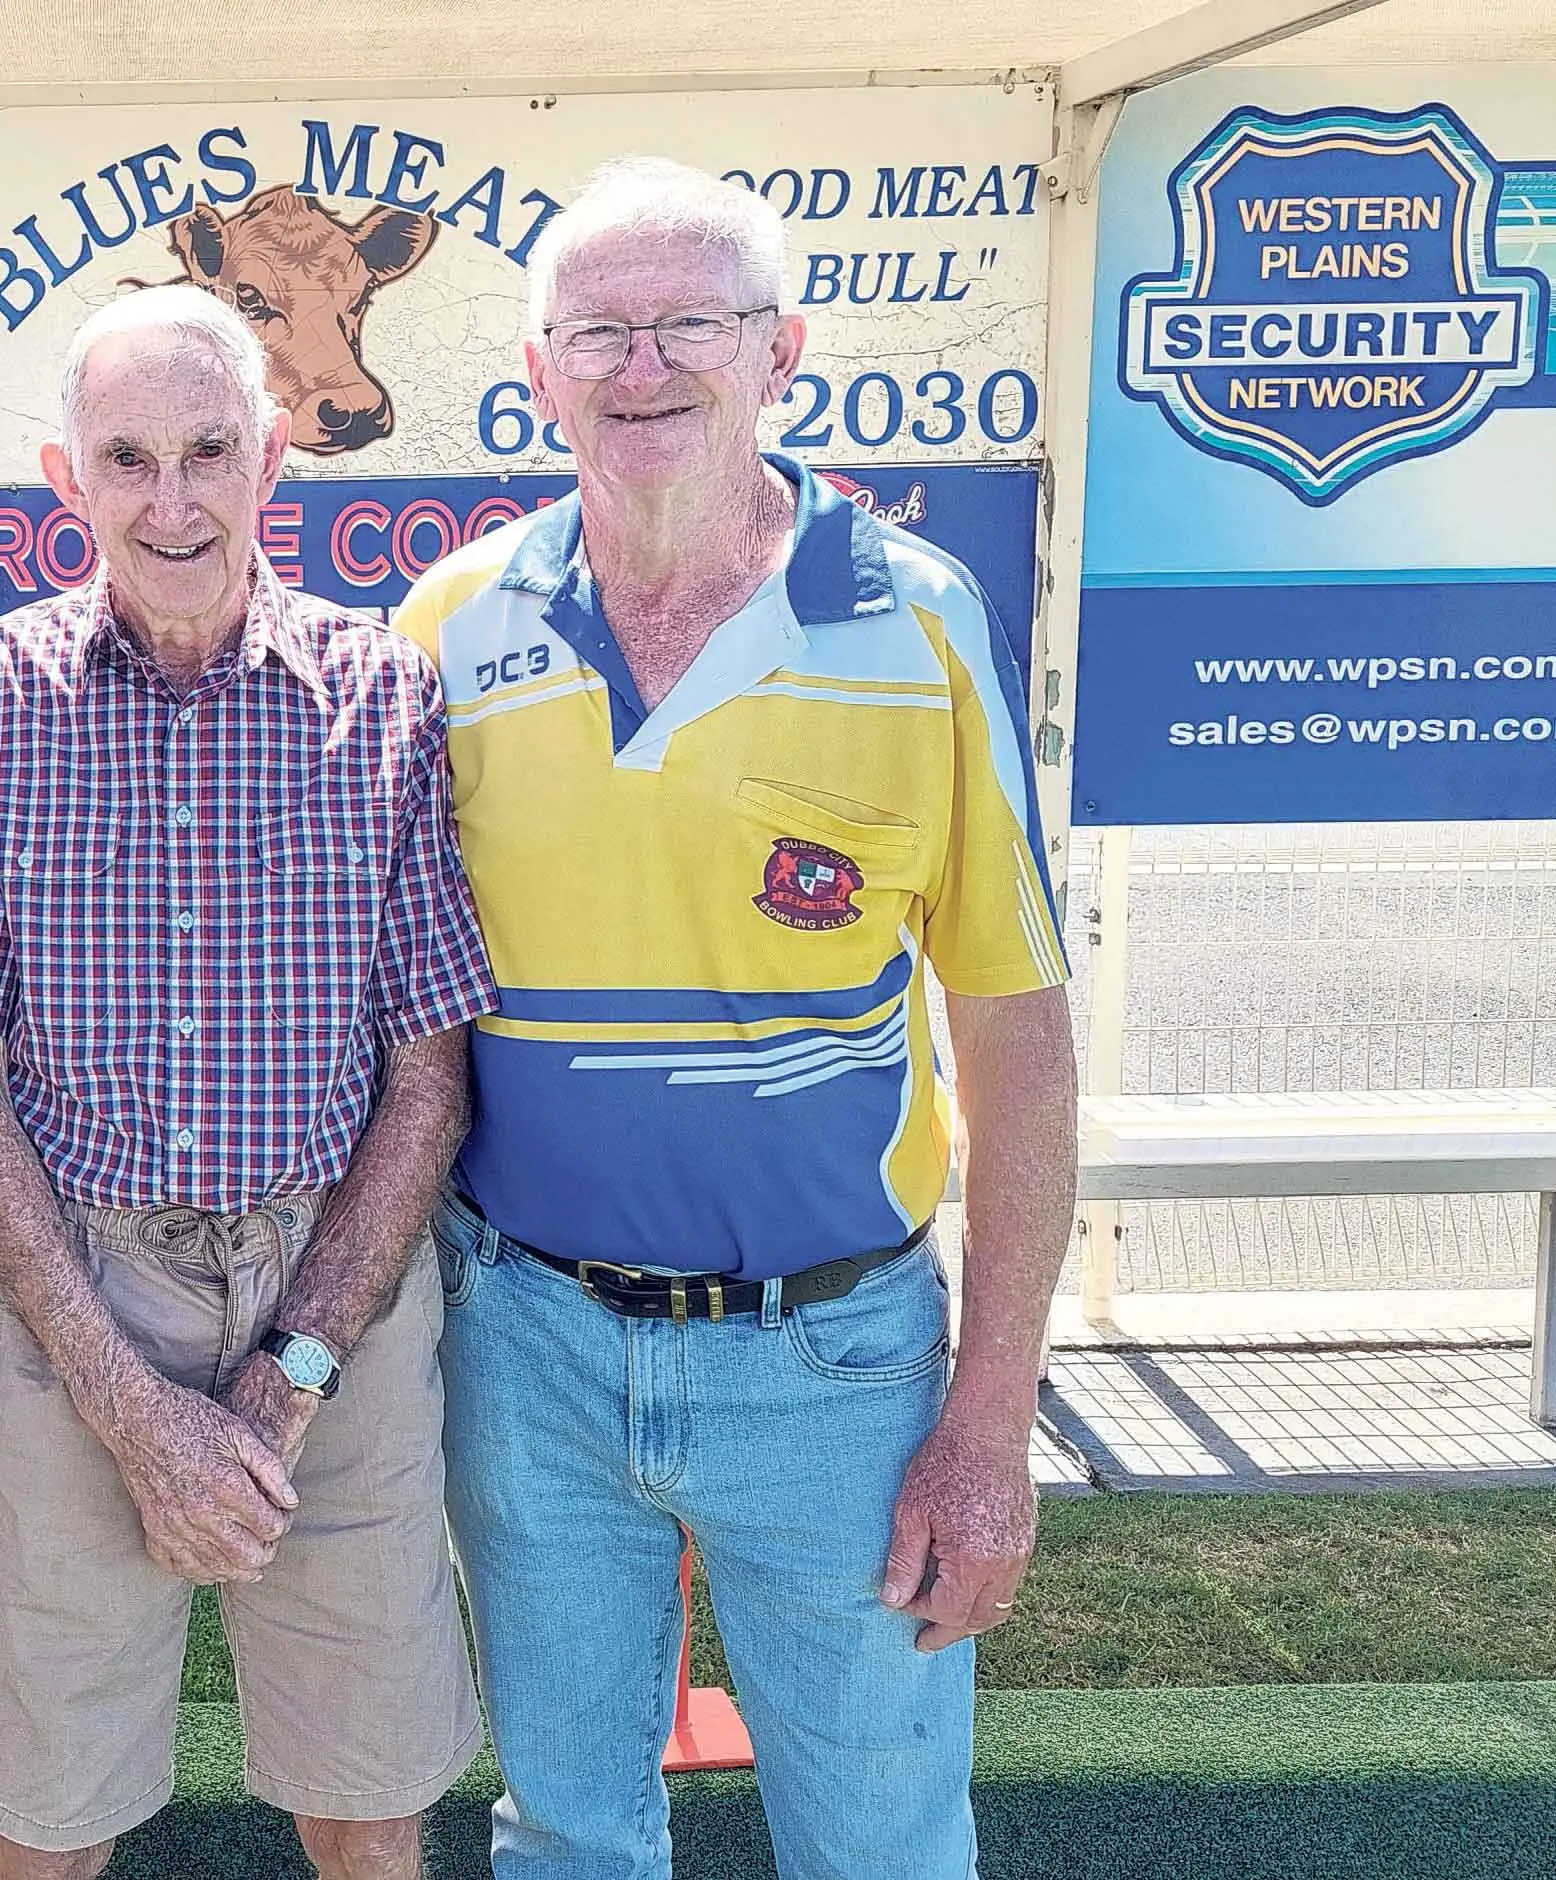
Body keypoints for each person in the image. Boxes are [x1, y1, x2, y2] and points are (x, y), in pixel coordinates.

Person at [395, 158, 1079, 1877]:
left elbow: (1017, 1034)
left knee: (881, 1844)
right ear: (539, 372)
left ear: (783, 352)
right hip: (527, 1346)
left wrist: (989, 1424)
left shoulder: (918, 623)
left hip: (836, 1367)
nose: (643, 367)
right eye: (599, 332)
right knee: (567, 1835)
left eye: (689, 324)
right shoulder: (450, 626)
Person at [0, 286, 496, 1880]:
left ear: (275, 458)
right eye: (129, 456)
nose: (172, 499)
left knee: (369, 1804)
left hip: (336, 1291)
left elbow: (428, 1078)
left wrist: (289, 1373)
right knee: (45, 1820)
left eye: (210, 449)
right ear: (64, 475)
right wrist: (123, 1400)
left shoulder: (386, 697)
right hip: (69, 1271)